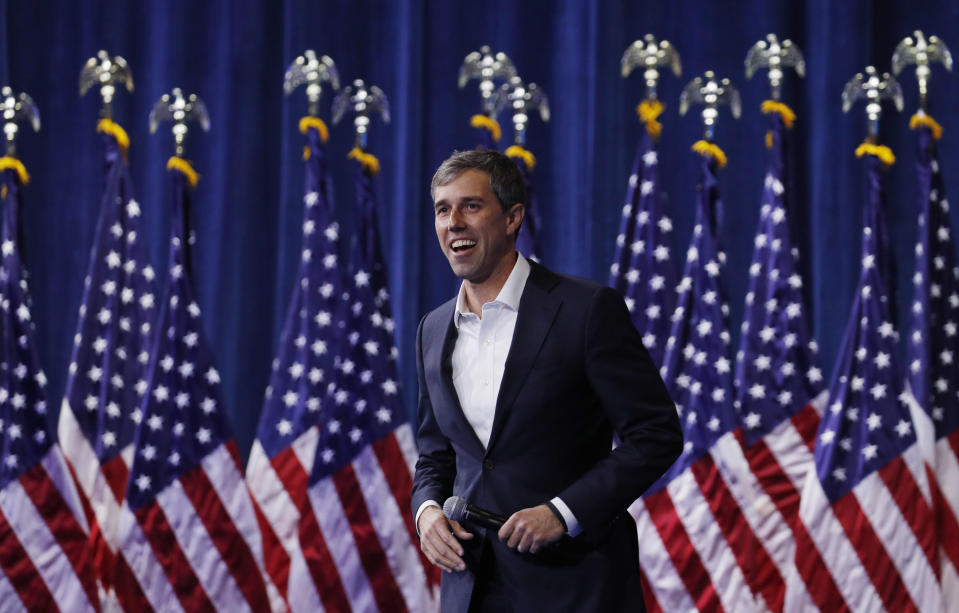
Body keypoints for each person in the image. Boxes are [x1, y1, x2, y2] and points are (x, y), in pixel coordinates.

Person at [411, 149, 682, 612]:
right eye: (442, 209)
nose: (453, 221)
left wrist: (564, 512)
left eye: (471, 206)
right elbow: (436, 455)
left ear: (512, 217)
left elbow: (656, 434)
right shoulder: (433, 329)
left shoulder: (586, 310)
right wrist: (427, 513)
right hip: (472, 588)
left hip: (576, 585)